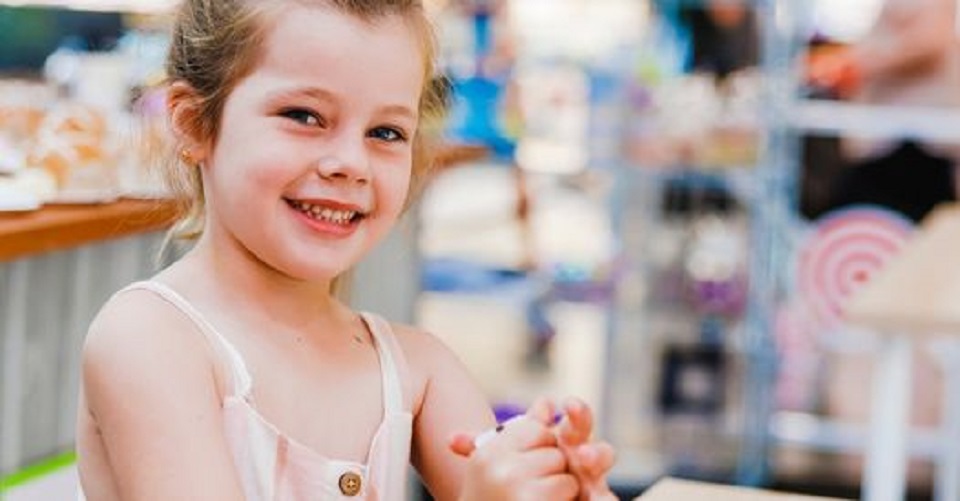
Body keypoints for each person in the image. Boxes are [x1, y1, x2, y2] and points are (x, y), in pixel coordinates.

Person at [74, 1, 616, 500]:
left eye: (385, 132)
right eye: (304, 116)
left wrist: (561, 481)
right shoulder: (148, 339)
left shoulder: (420, 370)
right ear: (194, 123)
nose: (350, 163)